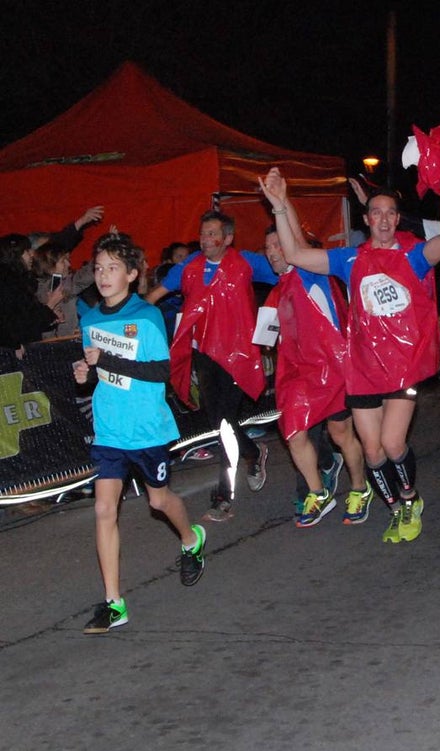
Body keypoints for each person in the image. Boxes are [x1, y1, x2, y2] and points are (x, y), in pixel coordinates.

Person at [262, 168, 440, 544]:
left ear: (397, 220)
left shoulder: (413, 257)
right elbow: (297, 254)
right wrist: (281, 207)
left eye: (389, 213)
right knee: (373, 449)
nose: (382, 219)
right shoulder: (351, 260)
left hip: (400, 370)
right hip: (363, 370)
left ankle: (412, 499)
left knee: (394, 444)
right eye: (375, 212)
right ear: (366, 220)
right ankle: (395, 507)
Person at [72, 234, 205, 633]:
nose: (103, 275)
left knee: (159, 501)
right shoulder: (91, 319)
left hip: (147, 429)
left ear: (132, 274)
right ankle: (115, 602)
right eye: (98, 268)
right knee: (103, 509)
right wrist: (86, 372)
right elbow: (97, 370)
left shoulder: (145, 318)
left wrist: (107, 359)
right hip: (110, 429)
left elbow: (160, 372)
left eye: (113, 268)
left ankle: (191, 538)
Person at [146, 211, 279, 521]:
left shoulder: (248, 262)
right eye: (203, 233)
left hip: (238, 356)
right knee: (219, 421)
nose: (205, 240)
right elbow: (154, 295)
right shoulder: (188, 267)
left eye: (212, 234)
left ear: (228, 238)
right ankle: (252, 452)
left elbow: (286, 276)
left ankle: (222, 497)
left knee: (223, 423)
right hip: (204, 355)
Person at [258, 220, 371, 528]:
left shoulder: (311, 271)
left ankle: (360, 488)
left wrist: (281, 205)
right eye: (268, 247)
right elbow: (266, 338)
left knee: (340, 434)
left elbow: (298, 241)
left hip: (333, 368)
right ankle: (317, 492)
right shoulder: (277, 291)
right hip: (298, 376)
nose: (273, 252)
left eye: (278, 244)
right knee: (293, 432)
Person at [0, 233, 64, 356]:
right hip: (10, 354)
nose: (32, 255)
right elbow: (18, 325)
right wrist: (50, 304)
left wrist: (50, 316)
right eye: (27, 251)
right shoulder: (8, 283)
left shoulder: (18, 280)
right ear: (16, 255)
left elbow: (29, 318)